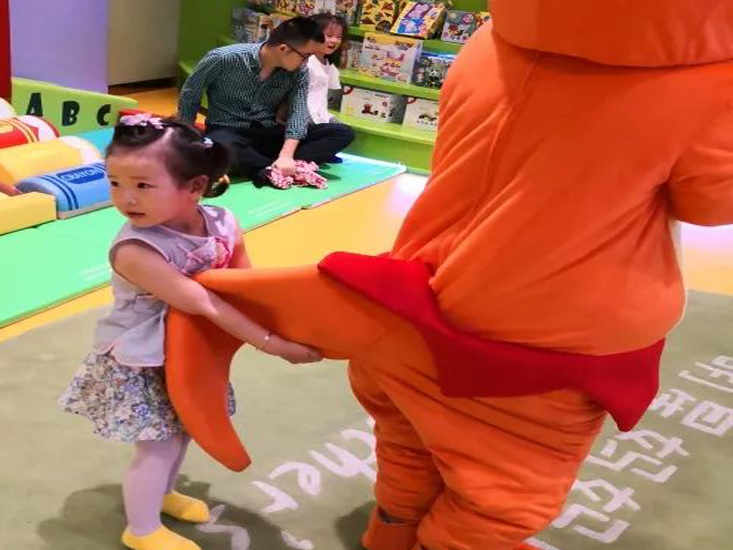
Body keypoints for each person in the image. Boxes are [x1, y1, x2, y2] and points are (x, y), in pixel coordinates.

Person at [159, 1, 733, 549]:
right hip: (541, 338)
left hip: (411, 297)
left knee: (409, 443)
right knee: (508, 497)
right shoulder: (708, 87)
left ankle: (392, 531)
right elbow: (711, 203)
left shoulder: (488, 42)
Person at [58, 114, 322, 550]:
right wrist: (272, 344)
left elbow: (244, 284)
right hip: (143, 359)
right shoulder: (135, 250)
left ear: (195, 187)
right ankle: (141, 530)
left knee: (185, 428)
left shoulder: (223, 222)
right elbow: (202, 302)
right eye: (115, 183)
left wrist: (288, 320)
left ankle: (163, 494)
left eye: (143, 185)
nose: (126, 198)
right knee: (159, 445)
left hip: (194, 350)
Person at [178, 16, 354, 188]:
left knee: (342, 132)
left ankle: (272, 166)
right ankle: (276, 167)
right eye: (305, 56)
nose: (306, 62)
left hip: (269, 132)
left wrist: (286, 155)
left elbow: (298, 112)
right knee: (221, 146)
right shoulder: (223, 58)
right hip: (228, 131)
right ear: (283, 49)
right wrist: (187, 139)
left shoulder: (299, 72)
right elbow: (190, 94)